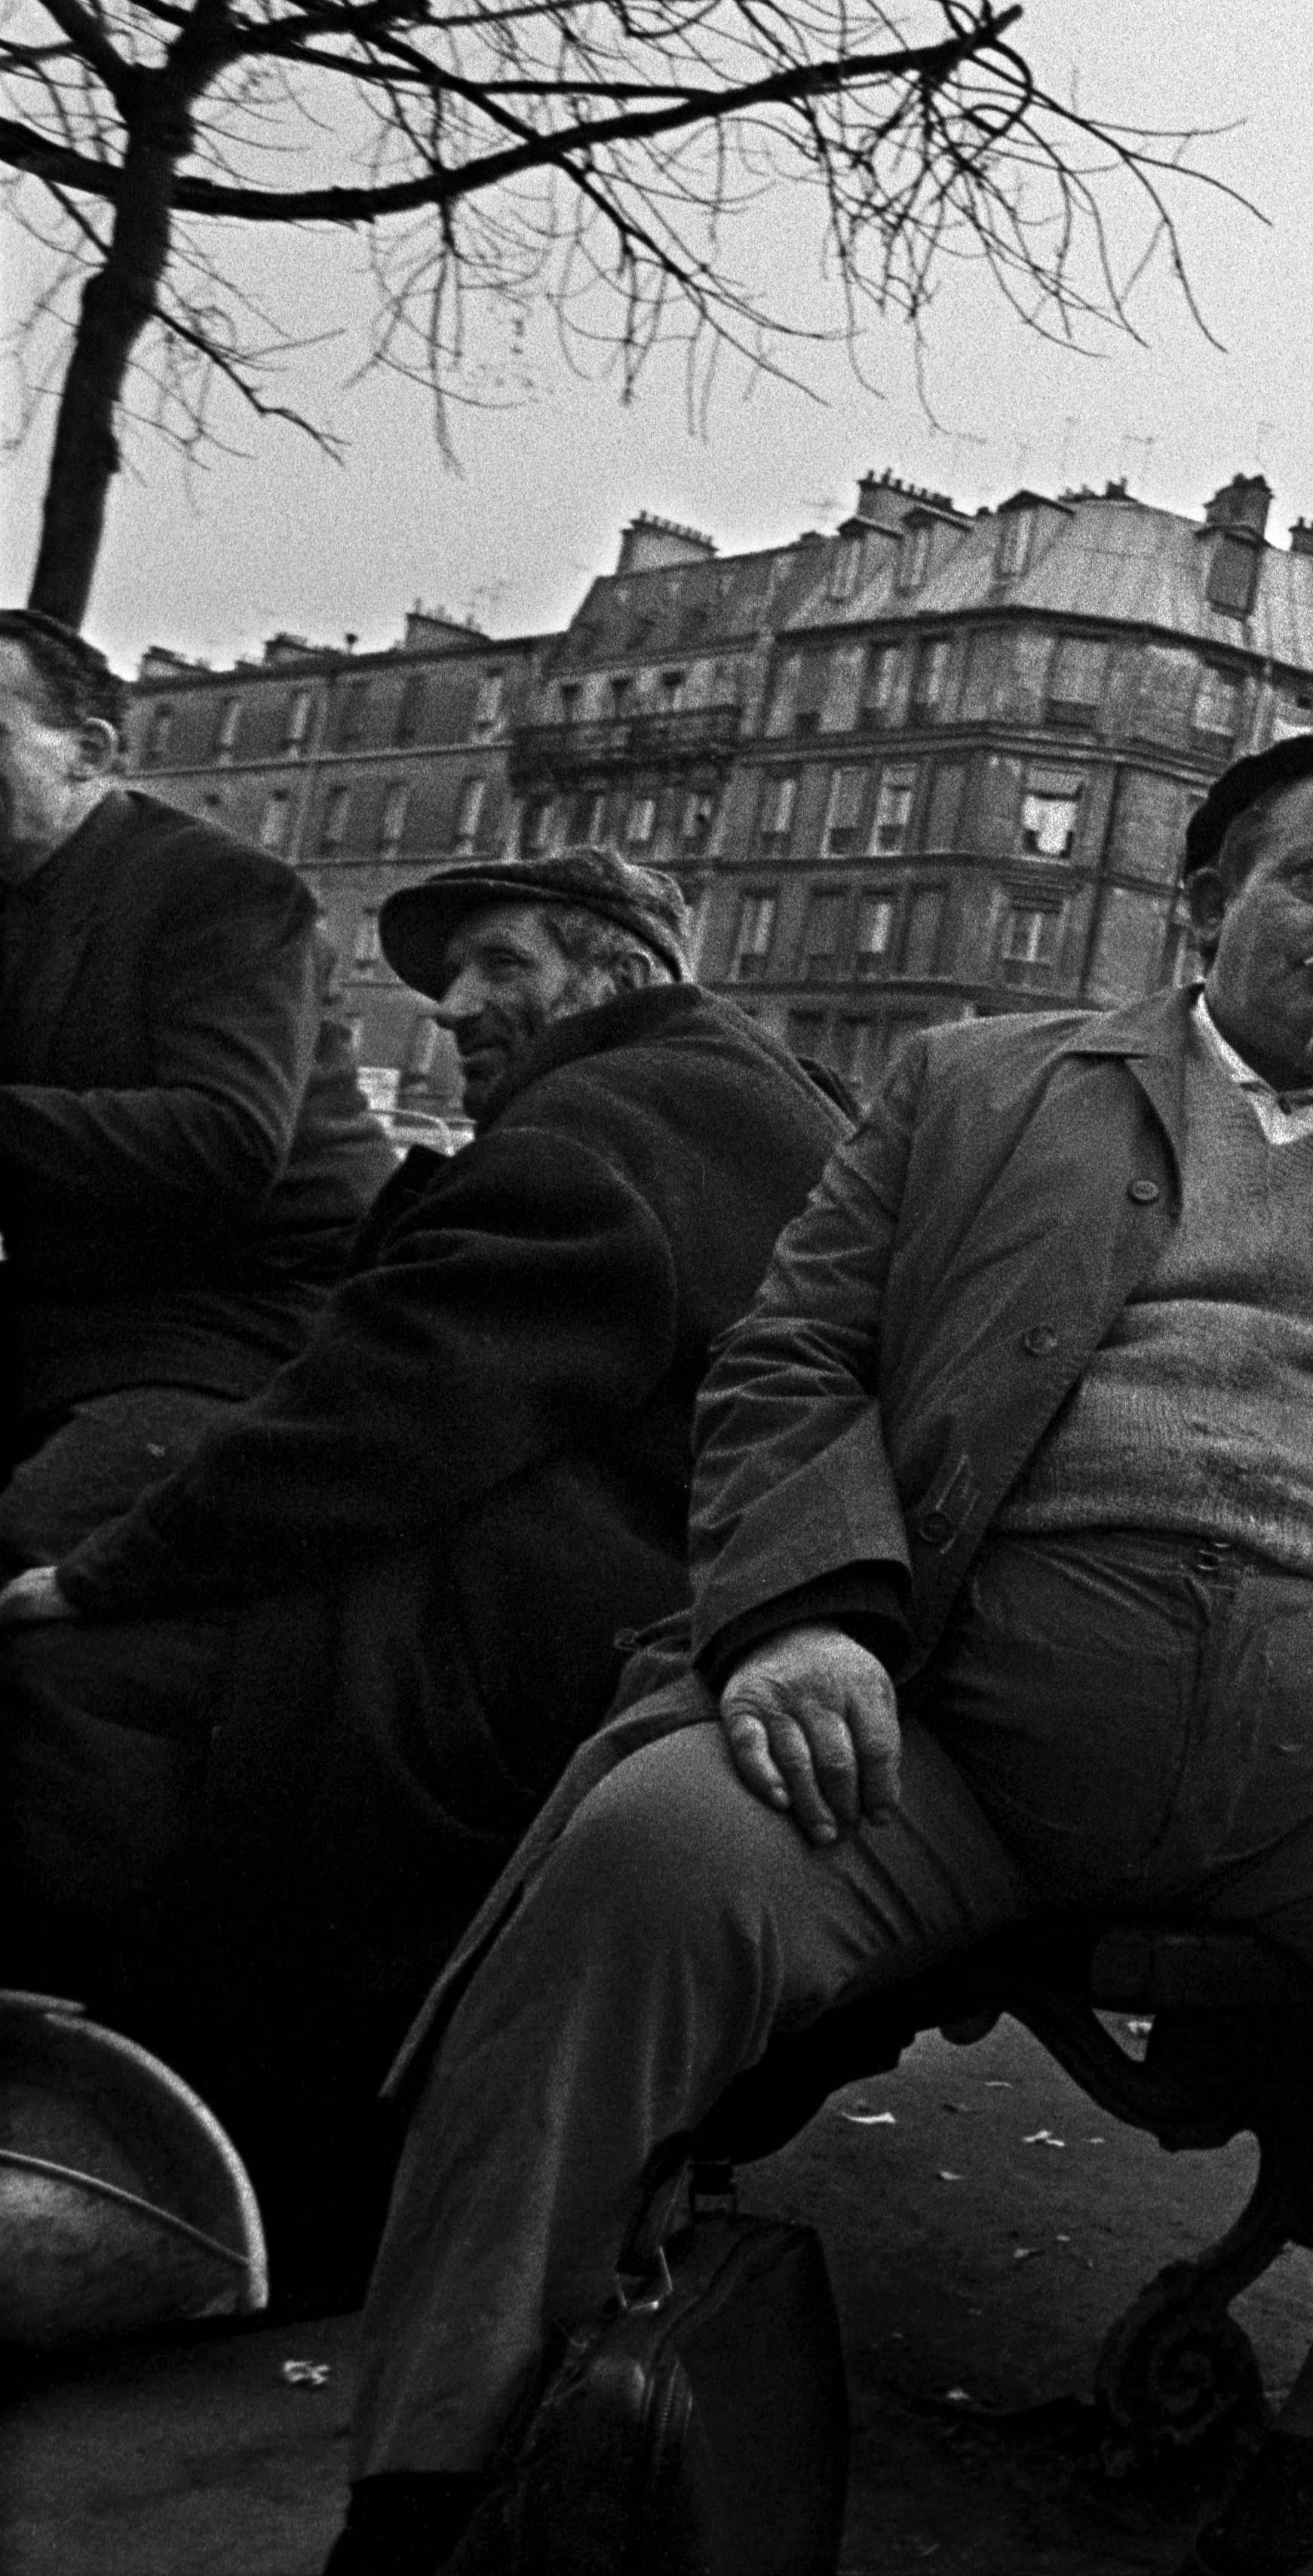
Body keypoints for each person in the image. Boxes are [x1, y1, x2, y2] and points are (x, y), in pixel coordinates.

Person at [321, 739, 1313, 2576]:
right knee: (649, 1861)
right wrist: (806, 1617)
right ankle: (436, 2481)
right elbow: (790, 1359)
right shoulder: (984, 1084)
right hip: (958, 1731)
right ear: (1207, 907)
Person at [0, 846, 847, 2305]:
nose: (454, 1004)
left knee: (78, 1687)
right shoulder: (727, 1092)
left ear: (620, 970)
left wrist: (105, 1572)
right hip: (672, 1581)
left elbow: (386, 1412)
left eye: (501, 963)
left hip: (561, 1632)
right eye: (452, 974)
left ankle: (190, 2147)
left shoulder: (601, 1126)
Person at [0, 605, 388, 1565]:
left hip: (250, 1321)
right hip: (75, 1312)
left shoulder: (222, 890)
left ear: (86, 752)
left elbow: (224, 1141)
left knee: (29, 1537)